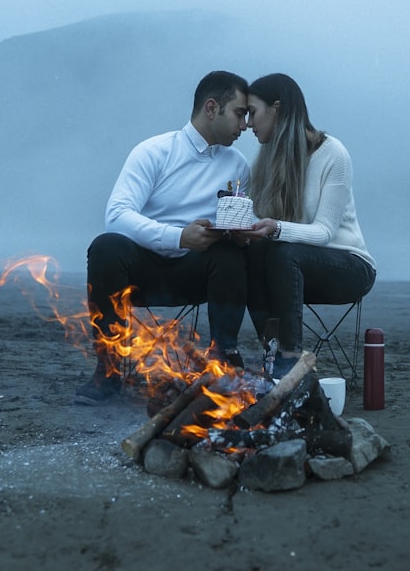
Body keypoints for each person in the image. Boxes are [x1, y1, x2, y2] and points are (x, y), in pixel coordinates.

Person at [76, 71, 252, 405]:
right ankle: (108, 370)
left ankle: (224, 362)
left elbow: (235, 218)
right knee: (106, 246)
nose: (244, 125)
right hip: (144, 269)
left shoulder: (238, 164)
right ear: (211, 108)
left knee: (230, 253)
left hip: (197, 271)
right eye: (240, 113)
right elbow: (116, 214)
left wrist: (244, 231)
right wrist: (178, 237)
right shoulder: (154, 151)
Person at [243, 73, 376, 379]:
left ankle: (290, 361)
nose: (249, 123)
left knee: (283, 253)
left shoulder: (334, 154)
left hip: (349, 268)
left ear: (276, 108)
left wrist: (275, 228)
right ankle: (271, 351)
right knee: (252, 252)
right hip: (290, 271)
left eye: (253, 112)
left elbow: (324, 232)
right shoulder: (267, 160)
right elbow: (255, 218)